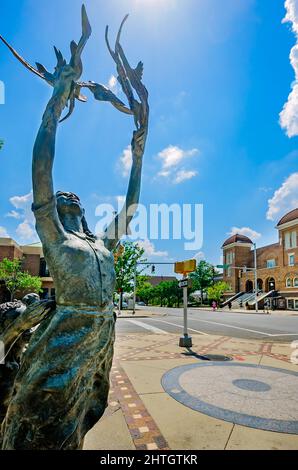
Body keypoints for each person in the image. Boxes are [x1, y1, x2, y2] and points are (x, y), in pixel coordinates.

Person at [1, 15, 149, 450]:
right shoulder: (57, 239)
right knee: (45, 429)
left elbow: (131, 209)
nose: (67, 197)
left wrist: (137, 158)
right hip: (61, 348)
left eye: (73, 198)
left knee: (81, 420)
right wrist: (54, 104)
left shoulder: (102, 244)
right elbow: (42, 173)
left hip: (100, 343)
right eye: (60, 199)